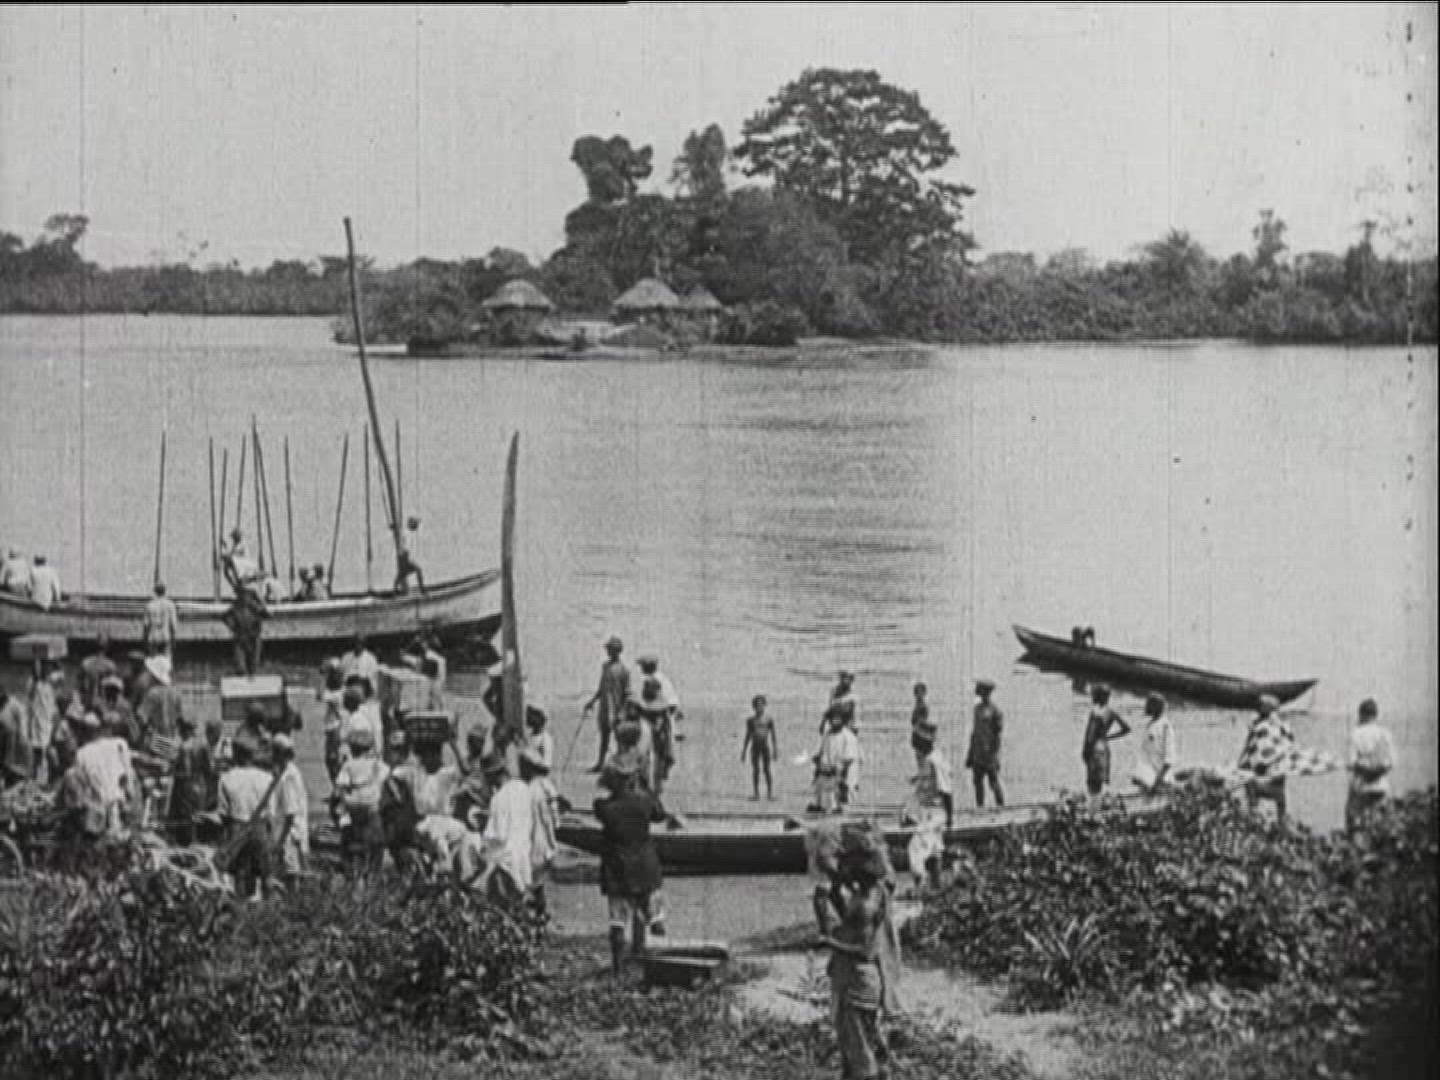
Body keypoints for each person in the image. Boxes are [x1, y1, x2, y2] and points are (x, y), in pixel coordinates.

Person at [816, 823, 903, 1080]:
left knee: (861, 1058)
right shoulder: (875, 892)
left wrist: (829, 942)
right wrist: (835, 895)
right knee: (857, 1051)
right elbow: (853, 924)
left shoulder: (865, 903)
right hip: (861, 980)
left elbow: (865, 950)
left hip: (858, 981)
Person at [594, 755, 668, 977]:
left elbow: (600, 803)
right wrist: (645, 787)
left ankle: (618, 969)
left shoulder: (604, 808)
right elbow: (660, 814)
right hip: (645, 867)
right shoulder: (644, 802)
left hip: (617, 868)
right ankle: (658, 959)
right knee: (654, 916)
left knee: (617, 921)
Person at [61, 710, 136, 852]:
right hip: (119, 803)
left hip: (98, 808)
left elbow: (80, 784)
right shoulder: (118, 744)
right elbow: (128, 775)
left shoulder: (82, 753)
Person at [218, 739, 274, 900]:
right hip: (260, 826)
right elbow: (271, 812)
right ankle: (269, 906)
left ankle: (241, 905)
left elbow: (223, 813)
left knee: (240, 871)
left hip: (237, 826)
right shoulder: (266, 778)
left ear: (236, 755)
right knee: (266, 872)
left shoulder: (227, 778)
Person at [331, 727, 389, 873]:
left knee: (347, 838)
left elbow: (339, 789)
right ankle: (374, 875)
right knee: (377, 844)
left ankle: (349, 869)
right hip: (372, 808)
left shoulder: (349, 765)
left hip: (352, 808)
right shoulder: (378, 765)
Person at [904, 724, 954, 890]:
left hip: (935, 812)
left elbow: (946, 791)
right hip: (928, 810)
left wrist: (950, 818)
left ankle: (921, 884)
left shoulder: (935, 761)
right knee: (934, 851)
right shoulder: (928, 759)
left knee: (915, 848)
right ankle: (936, 886)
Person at [1237, 694, 1294, 822]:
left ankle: (1258, 814)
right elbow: (1251, 745)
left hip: (1271, 767)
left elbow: (1270, 745)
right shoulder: (1264, 724)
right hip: (1267, 765)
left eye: (1261, 705)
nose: (1258, 708)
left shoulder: (1273, 725)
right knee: (1252, 784)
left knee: (1253, 784)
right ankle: (1263, 815)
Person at [1346, 698, 1395, 833]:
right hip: (1381, 785)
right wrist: (1377, 772)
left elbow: (1351, 762)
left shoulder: (1355, 734)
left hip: (1361, 785)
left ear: (1361, 714)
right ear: (1376, 715)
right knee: (1380, 824)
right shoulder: (1385, 733)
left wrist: (1365, 772)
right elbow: (1391, 762)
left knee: (1356, 824)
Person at [583, 636, 631, 773]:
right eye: (608, 649)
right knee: (604, 736)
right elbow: (601, 688)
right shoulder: (605, 666)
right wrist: (592, 701)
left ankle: (622, 765)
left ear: (617, 650)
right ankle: (600, 763)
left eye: (610, 649)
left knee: (619, 738)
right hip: (605, 707)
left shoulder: (624, 670)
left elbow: (627, 693)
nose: (608, 651)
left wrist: (623, 711)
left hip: (617, 708)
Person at [521, 748, 559, 917]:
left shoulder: (531, 790)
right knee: (538, 881)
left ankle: (536, 912)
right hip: (543, 838)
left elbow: (544, 818)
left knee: (532, 880)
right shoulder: (546, 785)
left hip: (536, 839)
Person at [168, 713, 212, 846]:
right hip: (200, 784)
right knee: (199, 816)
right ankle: (197, 842)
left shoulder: (183, 746)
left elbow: (184, 770)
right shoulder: (203, 743)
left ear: (183, 729)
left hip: (185, 786)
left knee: (186, 819)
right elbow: (209, 768)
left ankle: (188, 844)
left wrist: (174, 771)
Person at [270, 734, 309, 887]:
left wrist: (279, 841)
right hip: (289, 832)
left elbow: (290, 813)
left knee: (291, 876)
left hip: (290, 835)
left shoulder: (289, 776)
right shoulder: (287, 772)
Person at [1082, 685, 1130, 796]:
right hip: (1100, 746)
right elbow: (1126, 729)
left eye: (1095, 695)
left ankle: (1095, 801)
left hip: (1095, 747)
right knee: (1096, 778)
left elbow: (1090, 734)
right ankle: (1096, 799)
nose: (1093, 697)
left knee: (1094, 779)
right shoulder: (1107, 712)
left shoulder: (1098, 712)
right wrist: (1108, 737)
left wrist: (1086, 749)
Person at [811, 705, 861, 813]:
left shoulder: (848, 737)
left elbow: (848, 760)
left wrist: (841, 778)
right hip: (829, 775)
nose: (834, 721)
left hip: (843, 776)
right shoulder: (827, 735)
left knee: (841, 802)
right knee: (822, 796)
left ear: (843, 719)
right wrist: (818, 767)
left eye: (837, 719)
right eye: (832, 719)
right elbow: (822, 755)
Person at [634, 676, 677, 797]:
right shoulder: (641, 707)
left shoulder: (662, 708)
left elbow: (667, 726)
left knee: (660, 760)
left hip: (659, 736)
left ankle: (654, 787)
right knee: (644, 759)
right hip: (648, 735)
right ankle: (645, 785)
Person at [965, 679, 1006, 807]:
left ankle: (1001, 807)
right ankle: (980, 808)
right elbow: (975, 732)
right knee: (977, 782)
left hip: (989, 753)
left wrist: (994, 754)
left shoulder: (995, 711)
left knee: (993, 782)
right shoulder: (977, 709)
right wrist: (970, 754)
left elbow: (997, 734)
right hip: (977, 752)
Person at [137, 653, 184, 746]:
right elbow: (179, 717)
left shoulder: (153, 693)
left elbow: (143, 718)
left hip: (156, 740)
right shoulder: (175, 692)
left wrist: (140, 739)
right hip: (172, 739)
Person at [25, 660, 60, 782]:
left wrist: (57, 662)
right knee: (37, 749)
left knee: (49, 747)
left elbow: (60, 676)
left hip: (49, 719)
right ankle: (35, 774)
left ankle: (53, 775)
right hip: (38, 720)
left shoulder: (50, 683)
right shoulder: (34, 683)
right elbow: (31, 693)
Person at [1135, 694, 1176, 794]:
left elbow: (1169, 759)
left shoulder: (1165, 726)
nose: (1146, 707)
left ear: (1156, 707)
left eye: (1149, 704)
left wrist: (1157, 782)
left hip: (1159, 781)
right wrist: (1138, 774)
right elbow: (1146, 753)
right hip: (1147, 778)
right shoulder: (1150, 725)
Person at [224, 584, 268, 676]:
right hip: (243, 634)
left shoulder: (251, 606)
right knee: (244, 660)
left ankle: (249, 672)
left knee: (252, 659)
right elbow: (226, 617)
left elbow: (265, 614)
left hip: (251, 634)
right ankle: (245, 672)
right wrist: (234, 627)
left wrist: (233, 627)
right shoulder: (236, 606)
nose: (246, 598)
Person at [741, 694, 778, 800]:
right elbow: (748, 735)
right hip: (755, 747)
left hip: (765, 746)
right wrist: (744, 750)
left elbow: (773, 735)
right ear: (754, 707)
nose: (760, 707)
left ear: (764, 706)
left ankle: (769, 794)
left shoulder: (768, 719)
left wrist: (775, 750)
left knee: (767, 769)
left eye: (762, 705)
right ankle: (756, 794)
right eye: (757, 705)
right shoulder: (750, 720)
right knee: (756, 770)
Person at [318, 661, 347, 782]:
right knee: (333, 760)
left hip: (335, 729)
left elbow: (319, 695)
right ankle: (338, 785)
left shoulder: (337, 694)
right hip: (335, 728)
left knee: (332, 759)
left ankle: (338, 785)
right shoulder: (343, 690)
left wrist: (323, 677)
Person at [0, 687, 31, 788]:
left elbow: (23, 725)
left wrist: (22, 738)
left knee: (13, 766)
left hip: (14, 740)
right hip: (3, 738)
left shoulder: (14, 705)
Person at [99, 674, 141, 748]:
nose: (110, 692)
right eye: (108, 689)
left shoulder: (124, 706)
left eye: (113, 690)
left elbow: (134, 732)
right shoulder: (100, 704)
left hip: (119, 742)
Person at [78, 635, 119, 708]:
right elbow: (113, 688)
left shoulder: (86, 662)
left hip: (87, 700)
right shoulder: (110, 665)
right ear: (108, 646)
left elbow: (80, 684)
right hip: (101, 701)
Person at [233, 702, 275, 770]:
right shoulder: (242, 732)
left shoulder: (263, 733)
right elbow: (242, 753)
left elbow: (269, 754)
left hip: (262, 768)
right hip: (247, 769)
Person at [143, 582, 179, 656]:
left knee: (153, 660)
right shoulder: (170, 605)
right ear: (165, 591)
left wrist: (145, 640)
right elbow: (173, 624)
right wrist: (174, 639)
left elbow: (146, 625)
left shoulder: (149, 605)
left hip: (153, 637)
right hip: (166, 636)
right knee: (166, 660)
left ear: (155, 591)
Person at [909, 682, 933, 769]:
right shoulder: (918, 705)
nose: (918, 694)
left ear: (924, 693)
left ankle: (922, 773)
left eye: (921, 692)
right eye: (917, 692)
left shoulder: (922, 706)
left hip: (921, 735)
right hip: (918, 734)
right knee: (919, 758)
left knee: (921, 758)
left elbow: (921, 721)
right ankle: (922, 772)